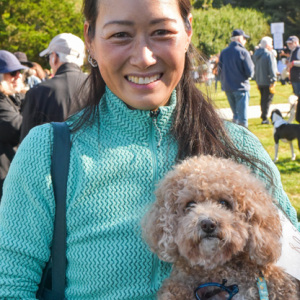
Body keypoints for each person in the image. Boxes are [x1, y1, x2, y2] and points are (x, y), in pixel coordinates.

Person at [0, 0, 298, 299]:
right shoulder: (47, 152)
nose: (143, 58)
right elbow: (10, 286)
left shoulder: (239, 145)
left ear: (188, 31)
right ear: (90, 40)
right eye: (120, 35)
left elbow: (293, 263)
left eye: (161, 32)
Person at [20, 33, 88, 141]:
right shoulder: (99, 88)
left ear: (54, 57)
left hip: (49, 157)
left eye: (48, 57)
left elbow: (26, 144)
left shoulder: (38, 93)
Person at [0, 50, 27, 199]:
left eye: (19, 71)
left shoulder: (10, 97)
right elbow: (19, 129)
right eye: (12, 73)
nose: (18, 76)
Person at [218, 29, 254, 128]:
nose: (245, 41)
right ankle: (244, 139)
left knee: (235, 115)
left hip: (228, 86)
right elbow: (250, 71)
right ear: (240, 39)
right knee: (243, 118)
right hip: (241, 87)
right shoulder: (243, 52)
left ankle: (235, 137)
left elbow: (219, 70)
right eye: (244, 38)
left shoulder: (224, 52)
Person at [252, 36, 277, 124]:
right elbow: (272, 68)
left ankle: (263, 115)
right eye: (271, 43)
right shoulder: (268, 54)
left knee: (263, 98)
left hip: (259, 80)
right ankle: (265, 117)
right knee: (268, 99)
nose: (272, 45)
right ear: (267, 45)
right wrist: (273, 80)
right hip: (267, 80)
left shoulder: (256, 54)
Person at [286, 35, 300, 122]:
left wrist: (293, 63)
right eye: (288, 44)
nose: (289, 45)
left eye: (291, 43)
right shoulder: (293, 51)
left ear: (295, 42)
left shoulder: (298, 50)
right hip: (294, 78)